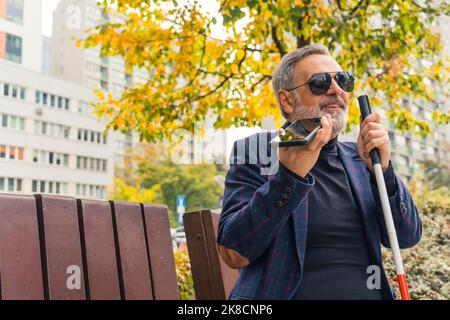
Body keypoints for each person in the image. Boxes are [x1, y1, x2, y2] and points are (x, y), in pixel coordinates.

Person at [217, 44, 422, 300]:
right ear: (287, 100)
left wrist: (385, 171)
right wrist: (288, 177)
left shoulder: (360, 158)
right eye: (319, 82)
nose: (336, 90)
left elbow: (406, 237)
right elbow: (234, 252)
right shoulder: (259, 152)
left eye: (343, 80)